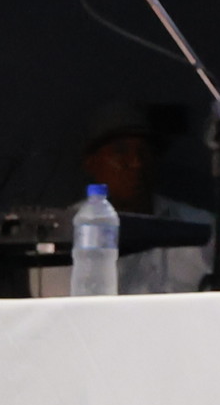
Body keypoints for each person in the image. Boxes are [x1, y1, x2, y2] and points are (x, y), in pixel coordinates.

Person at [74, 101, 211, 294]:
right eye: (120, 152)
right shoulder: (63, 231)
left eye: (145, 151)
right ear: (92, 163)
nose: (137, 163)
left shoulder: (204, 229)